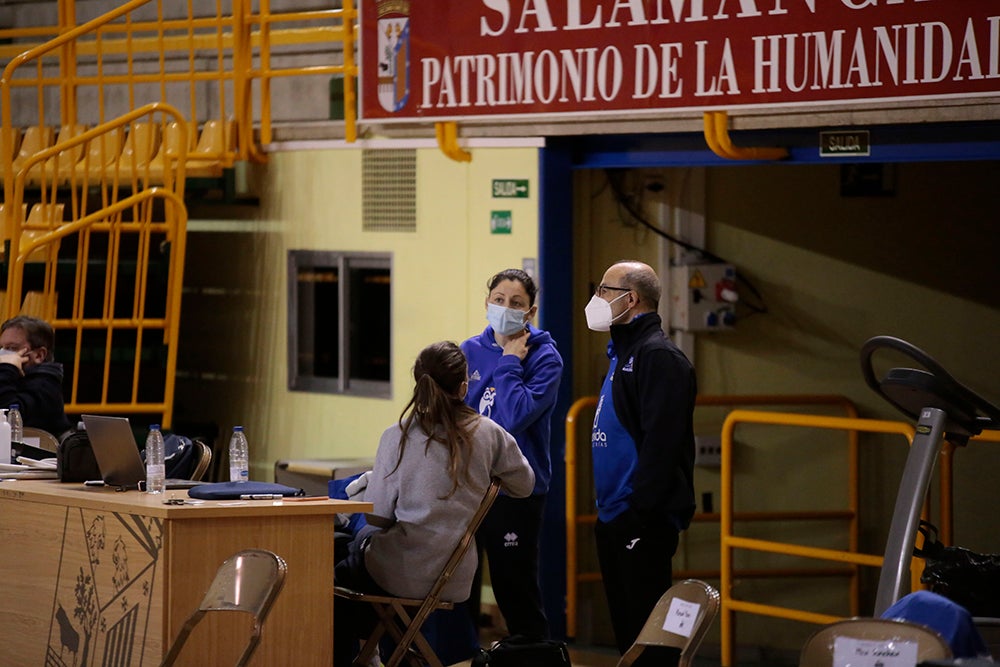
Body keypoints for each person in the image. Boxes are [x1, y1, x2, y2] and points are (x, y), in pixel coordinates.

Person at [334, 341, 535, 666]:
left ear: (419, 385)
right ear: (464, 386)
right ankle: (399, 654)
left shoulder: (398, 435)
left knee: (338, 570)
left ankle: (365, 655)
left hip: (398, 571)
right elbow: (525, 485)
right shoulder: (490, 435)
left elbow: (378, 519)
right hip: (452, 576)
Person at [585, 260, 697, 667]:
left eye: (603, 290)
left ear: (630, 299)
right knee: (628, 640)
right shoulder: (622, 352)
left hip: (640, 520)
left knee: (649, 643)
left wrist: (640, 513)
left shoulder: (658, 357)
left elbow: (662, 446)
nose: (596, 299)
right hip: (614, 515)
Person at [461, 268, 563, 640]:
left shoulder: (545, 358)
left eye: (516, 303)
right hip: (469, 488)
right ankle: (463, 656)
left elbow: (515, 417)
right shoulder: (469, 351)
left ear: (530, 312)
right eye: (499, 301)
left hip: (517, 491)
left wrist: (509, 360)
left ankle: (534, 656)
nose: (506, 308)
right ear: (487, 303)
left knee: (514, 587)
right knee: (460, 585)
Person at [0, 315, 72, 438]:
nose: (3, 355)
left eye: (12, 348)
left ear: (39, 355)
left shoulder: (45, 386)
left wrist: (7, 368)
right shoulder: (13, 378)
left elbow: (6, 417)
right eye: (1, 348)